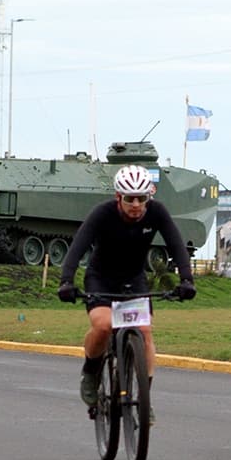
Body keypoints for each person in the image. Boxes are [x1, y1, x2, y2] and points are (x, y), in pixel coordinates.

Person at [57, 164, 197, 425]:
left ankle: (144, 398)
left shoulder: (157, 213)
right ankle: (91, 370)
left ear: (149, 198)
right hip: (101, 278)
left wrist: (187, 279)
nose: (136, 205)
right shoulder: (102, 214)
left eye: (141, 199)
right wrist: (66, 281)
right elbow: (77, 247)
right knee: (103, 325)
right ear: (118, 197)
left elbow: (176, 244)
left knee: (144, 331)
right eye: (130, 199)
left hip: (134, 280)